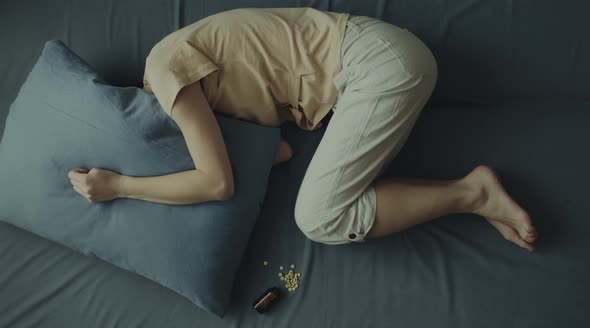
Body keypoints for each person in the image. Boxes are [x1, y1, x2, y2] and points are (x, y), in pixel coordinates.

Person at [67, 7, 538, 251]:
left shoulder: (165, 72)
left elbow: (217, 183)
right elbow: (281, 154)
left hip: (375, 62)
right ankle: (470, 195)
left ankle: (471, 194)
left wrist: (121, 186)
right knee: (321, 215)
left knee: (319, 218)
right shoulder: (202, 100)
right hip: (374, 69)